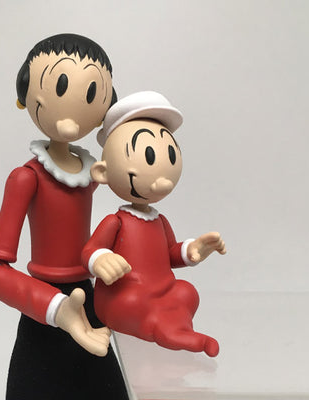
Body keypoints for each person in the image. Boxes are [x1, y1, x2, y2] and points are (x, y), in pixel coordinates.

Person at [0, 33, 129, 400]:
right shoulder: (25, 178)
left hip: (90, 302)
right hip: (45, 313)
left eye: (93, 92)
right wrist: (56, 308)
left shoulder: (93, 173)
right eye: (59, 85)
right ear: (26, 91)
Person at [82, 91, 227, 357]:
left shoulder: (160, 221)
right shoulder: (116, 221)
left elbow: (170, 253)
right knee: (133, 303)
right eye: (148, 157)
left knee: (187, 292)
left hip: (162, 291)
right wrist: (101, 259)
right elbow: (90, 251)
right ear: (103, 172)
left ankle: (178, 328)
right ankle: (165, 331)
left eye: (170, 155)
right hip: (124, 295)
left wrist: (193, 249)